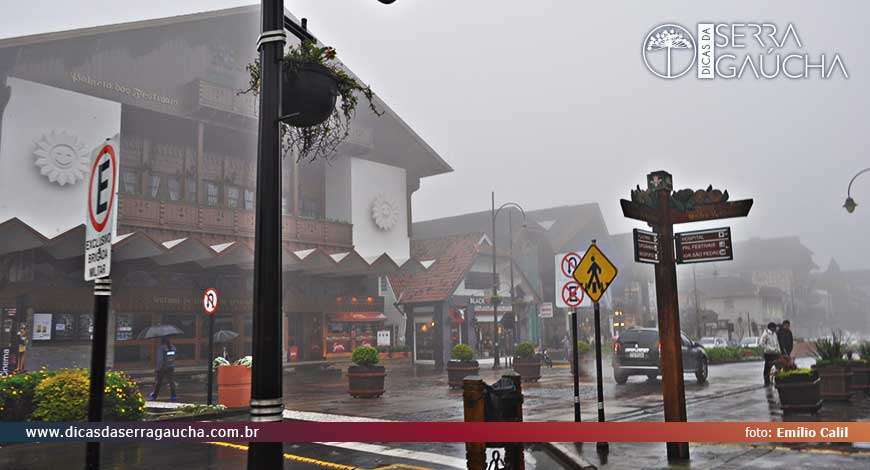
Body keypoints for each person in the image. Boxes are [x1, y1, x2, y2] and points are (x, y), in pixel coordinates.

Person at [149, 336, 177, 401]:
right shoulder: (173, 347)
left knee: (158, 382)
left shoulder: (161, 348)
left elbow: (160, 360)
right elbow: (174, 357)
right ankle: (173, 396)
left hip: (162, 368)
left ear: (162, 341)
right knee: (171, 382)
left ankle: (154, 396)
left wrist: (157, 368)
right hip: (171, 367)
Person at [760, 322, 780, 386]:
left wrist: (778, 350)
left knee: (778, 367)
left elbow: (777, 343)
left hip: (775, 353)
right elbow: (761, 343)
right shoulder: (765, 334)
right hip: (768, 354)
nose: (775, 329)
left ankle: (777, 380)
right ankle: (767, 382)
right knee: (768, 368)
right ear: (771, 328)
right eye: (774, 328)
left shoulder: (774, 334)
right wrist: (769, 349)